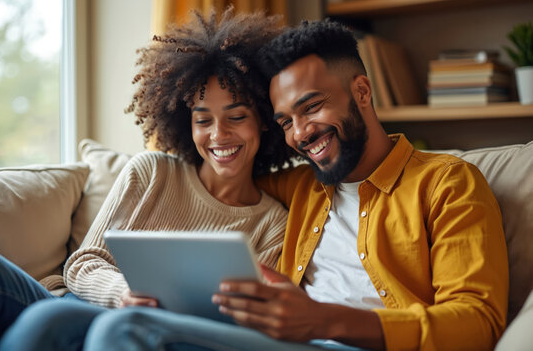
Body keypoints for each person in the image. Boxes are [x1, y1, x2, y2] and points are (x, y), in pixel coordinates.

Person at [73, 19, 508, 351]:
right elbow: (225, 174)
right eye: (285, 121)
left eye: (312, 107)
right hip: (279, 342)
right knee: (52, 321)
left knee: (123, 329)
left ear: (361, 91)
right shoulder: (298, 186)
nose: (300, 134)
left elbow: (478, 320)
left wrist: (323, 320)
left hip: (346, 342)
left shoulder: (447, 182)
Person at [0, 7, 299, 351]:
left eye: (237, 116)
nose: (219, 135)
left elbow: (248, 323)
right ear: (187, 124)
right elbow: (82, 264)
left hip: (145, 333)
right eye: (203, 121)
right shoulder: (152, 171)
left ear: (263, 120)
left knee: (47, 321)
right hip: (89, 304)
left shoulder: (274, 224)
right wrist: (123, 293)